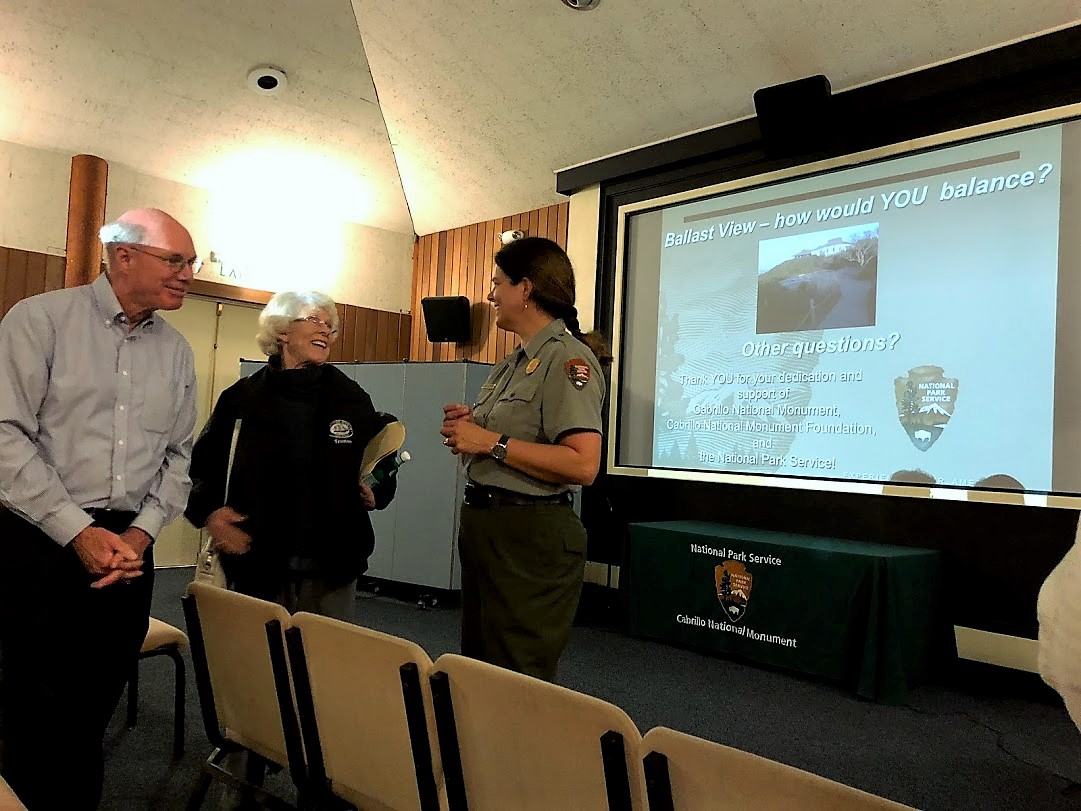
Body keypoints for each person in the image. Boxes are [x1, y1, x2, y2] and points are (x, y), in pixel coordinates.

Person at [0, 208, 198, 809]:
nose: (188, 274)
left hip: (128, 555)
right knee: (29, 712)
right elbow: (4, 436)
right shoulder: (41, 321)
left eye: (192, 262)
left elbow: (180, 456)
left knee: (91, 710)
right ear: (123, 256)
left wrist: (140, 535)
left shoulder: (178, 352)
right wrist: (77, 531)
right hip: (39, 541)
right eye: (175, 260)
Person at [441, 236, 609, 682]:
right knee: (479, 669)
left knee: (516, 677)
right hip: (489, 530)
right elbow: (505, 436)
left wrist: (490, 441)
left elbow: (583, 465)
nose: (491, 294)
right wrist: (469, 426)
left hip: (530, 537)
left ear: (526, 289)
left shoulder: (569, 360)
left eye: (498, 283)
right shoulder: (513, 361)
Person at [185, 291, 395, 621]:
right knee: (260, 661)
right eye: (314, 320)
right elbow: (202, 467)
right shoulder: (242, 398)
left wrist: (376, 490)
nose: (325, 330)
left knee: (321, 662)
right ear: (282, 331)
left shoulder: (350, 398)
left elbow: (380, 461)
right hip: (257, 557)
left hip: (333, 565)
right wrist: (209, 515)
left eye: (330, 326)